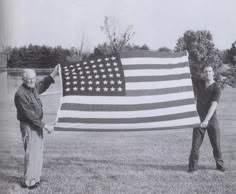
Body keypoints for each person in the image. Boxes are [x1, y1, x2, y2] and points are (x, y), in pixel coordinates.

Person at [14, 65, 59, 189]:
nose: (32, 81)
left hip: (36, 125)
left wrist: (54, 72)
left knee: (37, 153)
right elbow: (30, 116)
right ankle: (29, 181)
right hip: (29, 126)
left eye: (33, 78)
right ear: (23, 80)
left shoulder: (33, 87)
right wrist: (46, 126)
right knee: (31, 153)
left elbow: (43, 84)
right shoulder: (20, 94)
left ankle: (36, 178)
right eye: (28, 79)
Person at [188, 65, 225, 173]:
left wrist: (206, 121)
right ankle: (192, 168)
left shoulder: (217, 88)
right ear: (203, 73)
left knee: (216, 145)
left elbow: (213, 106)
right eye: (205, 71)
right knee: (195, 145)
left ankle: (220, 165)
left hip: (211, 120)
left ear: (213, 73)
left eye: (209, 71)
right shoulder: (199, 83)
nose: (208, 73)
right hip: (199, 119)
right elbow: (188, 75)